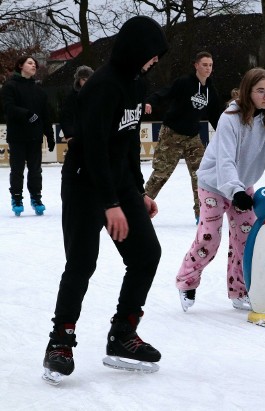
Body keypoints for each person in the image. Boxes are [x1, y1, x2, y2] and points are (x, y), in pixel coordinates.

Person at [42, 16, 169, 381]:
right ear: (135, 50)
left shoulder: (136, 83)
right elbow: (94, 148)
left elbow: (128, 142)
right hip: (85, 185)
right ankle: (60, 341)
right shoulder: (103, 86)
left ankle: (123, 333)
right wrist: (110, 203)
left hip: (120, 185)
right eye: (152, 54)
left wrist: (138, 190)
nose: (155, 61)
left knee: (146, 253)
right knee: (82, 263)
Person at [175, 67, 265, 312]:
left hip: (242, 187)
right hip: (214, 185)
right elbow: (225, 160)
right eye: (260, 91)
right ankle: (186, 281)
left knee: (245, 240)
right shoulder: (230, 118)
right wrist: (235, 190)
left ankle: (239, 290)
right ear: (248, 92)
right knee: (209, 238)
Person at [143, 51, 222, 224]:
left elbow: (217, 116)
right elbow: (166, 92)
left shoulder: (211, 90)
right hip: (172, 133)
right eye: (204, 64)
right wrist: (150, 101)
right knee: (161, 173)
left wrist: (227, 134)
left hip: (193, 136)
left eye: (210, 65)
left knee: (201, 175)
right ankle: (139, 208)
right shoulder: (184, 82)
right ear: (196, 65)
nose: (208, 68)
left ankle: (201, 213)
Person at [1, 55, 55, 216]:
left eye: (35, 64)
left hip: (35, 136)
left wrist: (50, 136)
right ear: (20, 65)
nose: (34, 66)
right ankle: (16, 198)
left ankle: (36, 198)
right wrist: (27, 114)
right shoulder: (10, 86)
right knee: (17, 169)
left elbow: (46, 115)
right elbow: (8, 108)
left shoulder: (39, 90)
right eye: (30, 63)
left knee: (35, 170)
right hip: (17, 137)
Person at [59, 65, 94, 143]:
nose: (86, 82)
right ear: (78, 80)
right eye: (83, 79)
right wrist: (69, 135)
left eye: (89, 79)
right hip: (77, 137)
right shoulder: (71, 97)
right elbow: (65, 117)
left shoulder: (98, 95)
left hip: (95, 137)